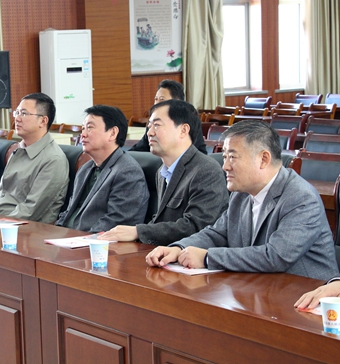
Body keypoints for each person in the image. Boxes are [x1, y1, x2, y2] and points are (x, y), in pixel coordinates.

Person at [145, 120, 338, 281]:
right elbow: (217, 233)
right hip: (259, 287)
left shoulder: (301, 197)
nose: (225, 166)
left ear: (263, 159)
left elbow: (276, 256)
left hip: (307, 295)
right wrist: (179, 248)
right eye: (224, 157)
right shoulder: (241, 193)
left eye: (232, 157)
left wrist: (207, 257)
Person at [99, 99, 228, 245]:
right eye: (149, 126)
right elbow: (161, 221)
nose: (149, 133)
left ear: (183, 130)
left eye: (157, 125)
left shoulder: (206, 170)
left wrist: (138, 231)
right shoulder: (162, 171)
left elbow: (197, 227)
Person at [56, 105, 149, 233]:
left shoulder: (128, 171)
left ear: (112, 133)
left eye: (90, 128)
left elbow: (116, 223)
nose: (82, 134)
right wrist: (56, 232)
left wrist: (77, 238)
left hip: (95, 242)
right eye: (83, 128)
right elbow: (68, 213)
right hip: (69, 237)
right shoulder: (85, 169)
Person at [0, 93, 68, 223]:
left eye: (24, 113)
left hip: (24, 229)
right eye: (17, 113)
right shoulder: (18, 150)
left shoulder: (53, 159)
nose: (17, 118)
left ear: (43, 121)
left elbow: (30, 211)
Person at [128, 79, 207, 154]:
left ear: (177, 102)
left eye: (162, 100)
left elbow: (197, 154)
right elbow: (139, 149)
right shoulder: (153, 124)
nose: (157, 104)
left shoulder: (188, 120)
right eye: (156, 99)